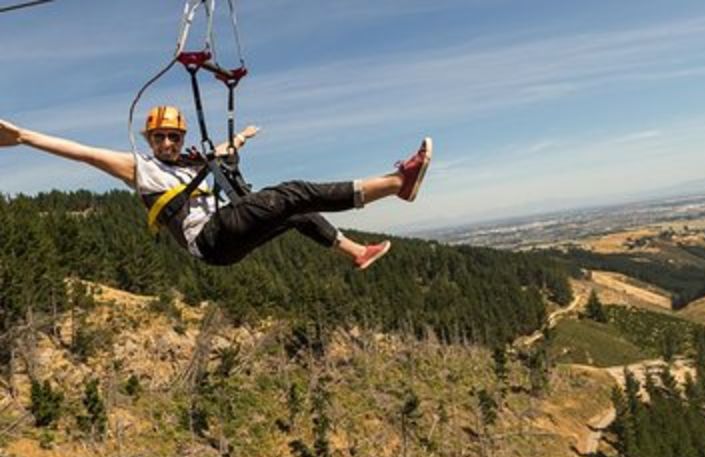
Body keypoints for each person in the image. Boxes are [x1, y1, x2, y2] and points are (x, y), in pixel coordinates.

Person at [0, 106, 432, 269]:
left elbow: (220, 151)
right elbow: (80, 152)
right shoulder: (140, 169)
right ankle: (397, 183)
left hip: (221, 242)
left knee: (293, 212)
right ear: (149, 140)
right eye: (160, 137)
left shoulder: (191, 164)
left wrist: (241, 138)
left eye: (174, 136)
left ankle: (356, 253)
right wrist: (22, 137)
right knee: (292, 192)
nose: (167, 143)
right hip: (209, 240)